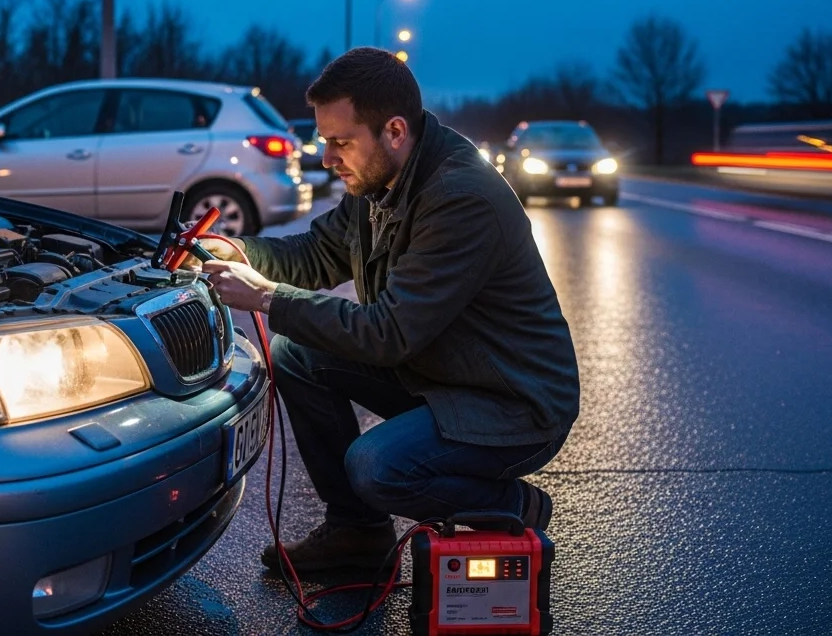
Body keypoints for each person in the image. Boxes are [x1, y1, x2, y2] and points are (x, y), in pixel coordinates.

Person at [199, 48, 579, 573]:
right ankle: (358, 533)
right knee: (295, 353)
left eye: (340, 142)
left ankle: (514, 506)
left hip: (513, 402)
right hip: (440, 373)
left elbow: (389, 333)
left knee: (377, 466)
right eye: (323, 141)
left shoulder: (461, 199)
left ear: (394, 131)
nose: (328, 158)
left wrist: (265, 297)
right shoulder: (378, 181)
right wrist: (236, 252)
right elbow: (316, 254)